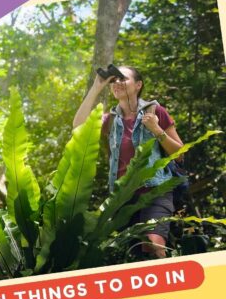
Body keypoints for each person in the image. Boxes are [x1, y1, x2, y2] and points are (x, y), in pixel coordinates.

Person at [73, 65, 184, 258]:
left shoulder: (156, 111)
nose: (117, 83)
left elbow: (180, 153)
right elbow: (79, 126)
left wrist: (157, 130)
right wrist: (96, 86)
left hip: (155, 192)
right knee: (133, 254)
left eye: (123, 79)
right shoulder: (110, 119)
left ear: (138, 85)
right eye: (114, 80)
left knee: (153, 246)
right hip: (122, 198)